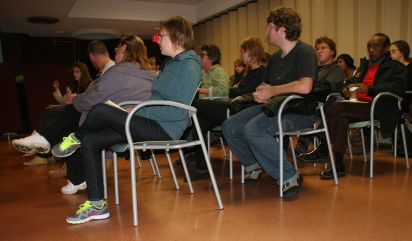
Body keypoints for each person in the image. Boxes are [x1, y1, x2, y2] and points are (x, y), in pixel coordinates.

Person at [52, 16, 202, 224]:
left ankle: (75, 137)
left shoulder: (189, 67)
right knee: (91, 140)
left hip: (165, 129)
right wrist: (135, 109)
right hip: (150, 121)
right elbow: (158, 99)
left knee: (101, 110)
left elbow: (177, 112)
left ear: (177, 36)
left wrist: (138, 110)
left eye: (161, 35)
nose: (157, 40)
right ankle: (96, 205)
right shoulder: (172, 64)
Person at [221, 7, 317, 199]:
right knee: (229, 126)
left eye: (269, 27)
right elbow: (267, 84)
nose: (267, 31)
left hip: (298, 111)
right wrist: (261, 92)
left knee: (253, 130)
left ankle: (289, 176)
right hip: (275, 107)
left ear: (281, 29)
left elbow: (305, 87)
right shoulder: (274, 58)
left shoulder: (305, 51)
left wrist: (272, 91)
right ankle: (253, 165)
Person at [301, 33, 407, 179]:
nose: (371, 49)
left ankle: (324, 149)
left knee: (337, 108)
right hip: (357, 105)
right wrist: (346, 88)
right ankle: (338, 165)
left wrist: (370, 89)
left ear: (386, 48)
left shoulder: (396, 67)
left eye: (375, 46)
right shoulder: (364, 65)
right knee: (341, 118)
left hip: (378, 106)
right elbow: (350, 81)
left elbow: (398, 87)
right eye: (369, 46)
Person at [188, 37, 267, 180]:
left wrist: (235, 89)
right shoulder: (247, 72)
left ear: (250, 53)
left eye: (243, 52)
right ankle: (202, 168)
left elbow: (241, 92)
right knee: (199, 123)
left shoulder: (262, 72)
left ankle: (191, 153)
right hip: (234, 105)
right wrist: (235, 89)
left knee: (195, 105)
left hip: (241, 109)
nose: (241, 55)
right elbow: (235, 90)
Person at [23, 62, 93, 167]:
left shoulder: (90, 85)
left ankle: (42, 143)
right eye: (74, 72)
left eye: (77, 72)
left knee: (54, 114)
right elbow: (64, 101)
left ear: (84, 73)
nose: (75, 74)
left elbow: (84, 102)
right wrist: (57, 89)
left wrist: (74, 98)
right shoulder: (76, 86)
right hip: (73, 110)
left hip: (81, 113)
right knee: (48, 110)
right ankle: (41, 142)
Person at [295, 36, 344, 155]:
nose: (319, 51)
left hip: (322, 107)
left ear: (332, 51)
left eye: (323, 48)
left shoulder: (336, 69)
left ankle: (303, 144)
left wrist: (305, 89)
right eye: (317, 49)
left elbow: (326, 89)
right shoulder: (313, 69)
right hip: (307, 102)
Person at [390, 40, 412, 154]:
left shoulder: (411, 67)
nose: (391, 53)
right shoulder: (391, 67)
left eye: (393, 51)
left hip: (405, 99)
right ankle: (403, 143)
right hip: (393, 97)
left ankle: (407, 144)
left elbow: (406, 86)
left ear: (402, 52)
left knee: (389, 108)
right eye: (390, 51)